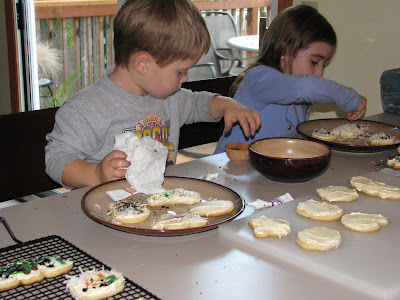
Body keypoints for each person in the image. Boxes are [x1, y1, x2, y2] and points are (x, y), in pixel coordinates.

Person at [45, 0, 261, 189]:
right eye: (180, 71)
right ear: (142, 64)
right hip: (106, 213)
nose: (184, 78)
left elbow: (198, 104)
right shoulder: (86, 109)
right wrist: (95, 174)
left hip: (160, 207)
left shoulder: (170, 99)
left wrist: (227, 105)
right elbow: (56, 159)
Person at [214, 4, 367, 154]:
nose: (319, 73)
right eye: (314, 62)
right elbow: (306, 87)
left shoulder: (298, 97)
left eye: (323, 65)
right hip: (229, 169)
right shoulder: (259, 79)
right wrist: (351, 98)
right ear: (285, 51)